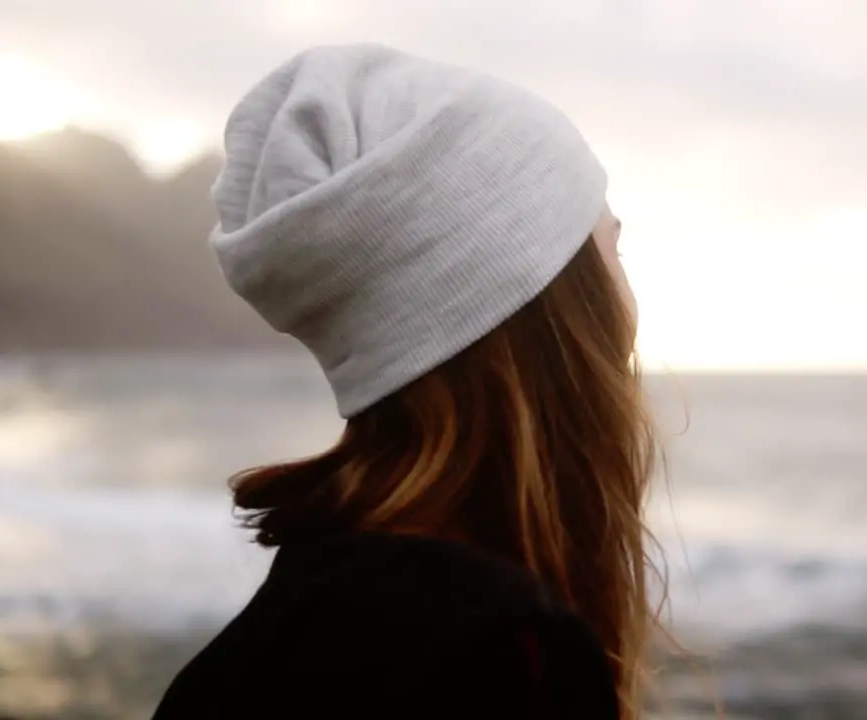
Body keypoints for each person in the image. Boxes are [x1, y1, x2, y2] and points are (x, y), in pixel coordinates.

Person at [152, 44, 661, 719]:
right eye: (611, 248)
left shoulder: (244, 658)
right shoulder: (503, 654)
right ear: (550, 310)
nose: (630, 302)